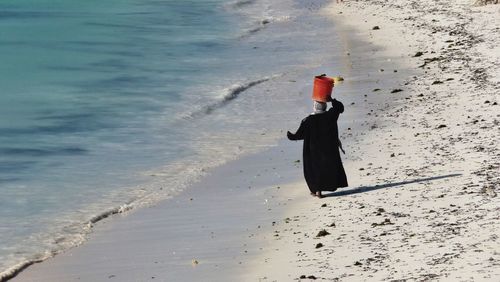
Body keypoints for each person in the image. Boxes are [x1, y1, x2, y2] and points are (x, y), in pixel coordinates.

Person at [287, 97, 348, 198]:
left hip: (313, 151)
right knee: (327, 168)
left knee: (314, 170)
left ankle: (317, 191)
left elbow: (300, 135)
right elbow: (340, 108)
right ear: (325, 106)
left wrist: (290, 136)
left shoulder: (308, 120)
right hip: (329, 150)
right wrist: (332, 99)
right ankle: (321, 190)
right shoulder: (330, 115)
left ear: (315, 107)